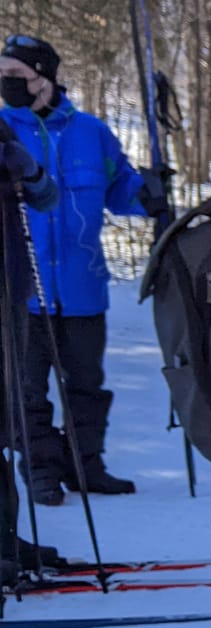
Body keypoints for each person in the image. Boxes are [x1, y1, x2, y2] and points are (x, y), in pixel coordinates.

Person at [0, 34, 171, 504]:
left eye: (15, 75)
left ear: (44, 77)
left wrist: (152, 194)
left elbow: (121, 190)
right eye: (2, 75)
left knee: (87, 387)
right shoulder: (2, 132)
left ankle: (86, 465)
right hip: (20, 288)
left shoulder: (91, 133)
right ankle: (40, 470)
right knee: (28, 390)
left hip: (82, 284)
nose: (5, 84)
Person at [0, 110, 61, 583]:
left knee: (4, 417)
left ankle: (6, 537)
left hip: (10, 290)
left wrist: (28, 169)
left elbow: (47, 197)